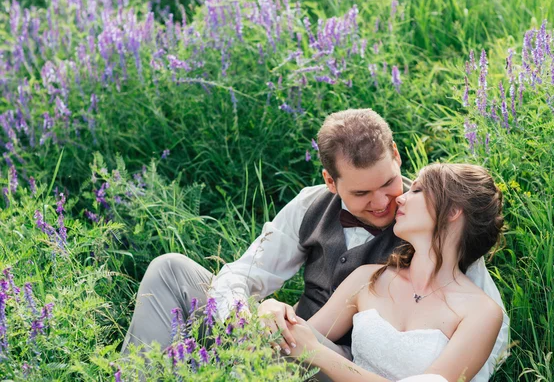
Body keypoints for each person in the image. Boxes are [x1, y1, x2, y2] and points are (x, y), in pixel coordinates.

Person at [121, 109, 508, 379]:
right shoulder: (323, 220)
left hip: (339, 363)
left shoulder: (442, 242)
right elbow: (247, 275)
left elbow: (487, 336)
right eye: (361, 192)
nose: (387, 202)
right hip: (302, 346)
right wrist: (255, 313)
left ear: (396, 156)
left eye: (391, 183)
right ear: (331, 181)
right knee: (171, 269)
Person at [287, 163, 505, 382]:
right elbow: (299, 338)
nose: (400, 198)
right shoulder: (367, 278)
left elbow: (310, 346)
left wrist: (318, 353)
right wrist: (274, 313)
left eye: (417, 190)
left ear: (452, 211)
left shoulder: (482, 313)